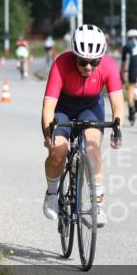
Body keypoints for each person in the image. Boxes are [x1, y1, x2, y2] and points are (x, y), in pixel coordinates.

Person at [41, 24, 124, 226]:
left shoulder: (109, 66)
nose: (88, 67)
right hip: (63, 108)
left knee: (93, 149)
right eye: (83, 62)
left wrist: (117, 129)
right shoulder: (61, 64)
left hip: (91, 106)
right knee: (58, 153)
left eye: (94, 62)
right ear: (74, 56)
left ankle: (96, 204)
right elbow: (48, 106)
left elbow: (118, 103)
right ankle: (52, 193)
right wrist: (48, 135)